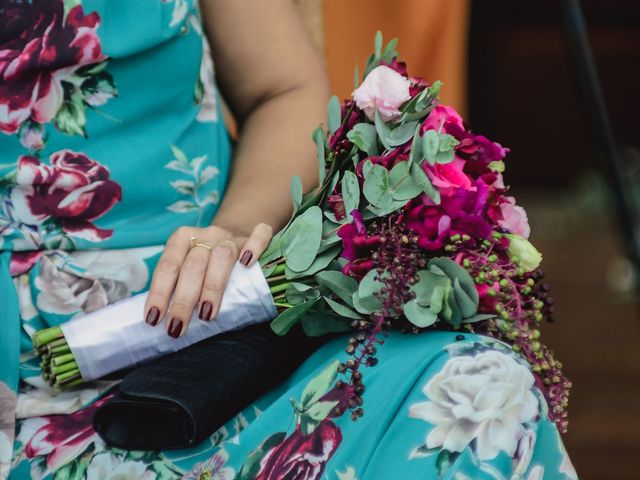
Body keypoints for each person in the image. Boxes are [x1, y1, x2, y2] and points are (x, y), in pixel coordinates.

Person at [0, 1, 578, 478]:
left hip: (219, 325)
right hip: (25, 371)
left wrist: (230, 234)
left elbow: (284, 88)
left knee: (475, 395)